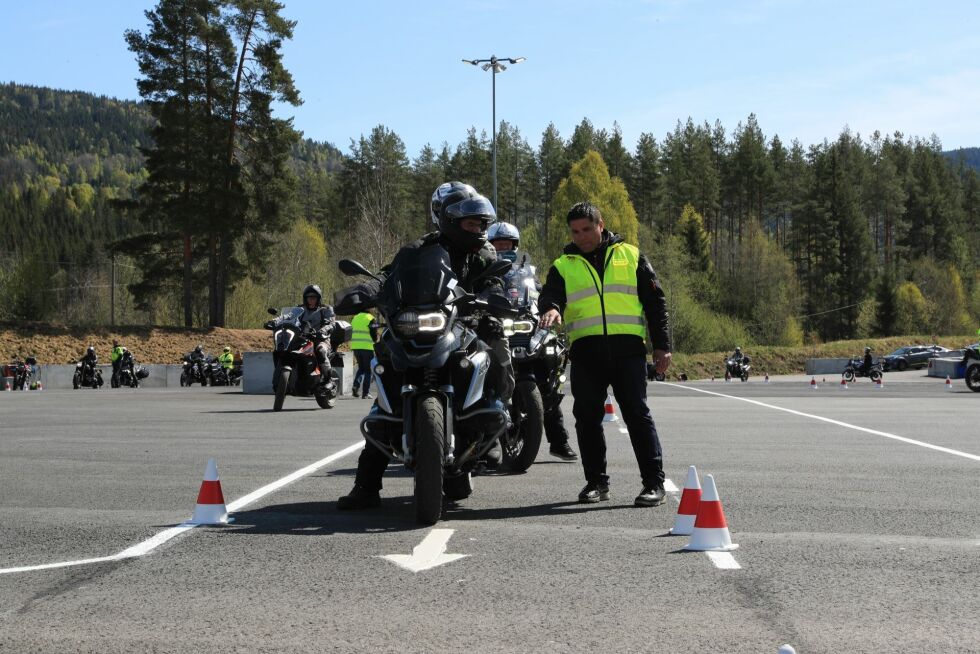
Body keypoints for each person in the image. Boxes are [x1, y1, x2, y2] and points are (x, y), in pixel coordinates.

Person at [338, 181, 513, 510]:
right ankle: (365, 486)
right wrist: (371, 290)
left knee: (493, 349)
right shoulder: (417, 249)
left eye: (480, 224)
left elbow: (493, 278)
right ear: (448, 220)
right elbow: (392, 277)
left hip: (462, 322)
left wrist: (493, 296)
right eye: (470, 223)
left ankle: (493, 419)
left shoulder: (483, 251)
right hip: (420, 324)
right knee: (384, 396)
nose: (476, 229)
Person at [538, 201, 671, 507]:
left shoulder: (631, 255)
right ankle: (596, 483)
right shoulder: (563, 264)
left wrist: (662, 346)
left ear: (601, 225)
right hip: (586, 352)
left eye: (587, 229)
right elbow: (550, 295)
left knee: (637, 415)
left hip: (628, 351)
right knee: (586, 419)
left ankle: (654, 483)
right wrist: (551, 308)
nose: (581, 236)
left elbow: (656, 303)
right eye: (575, 231)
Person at [488, 220, 578, 461]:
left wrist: (543, 306)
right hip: (495, 328)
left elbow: (538, 292)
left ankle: (559, 442)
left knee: (547, 387)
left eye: (507, 243)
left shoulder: (526, 271)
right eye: (498, 243)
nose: (503, 247)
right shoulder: (483, 268)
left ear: (515, 245)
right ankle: (481, 446)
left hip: (524, 327)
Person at [298, 284, 337, 373]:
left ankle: (328, 379)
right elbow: (288, 317)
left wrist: (323, 330)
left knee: (321, 351)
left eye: (314, 297)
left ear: (318, 298)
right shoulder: (299, 309)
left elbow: (331, 323)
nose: (311, 299)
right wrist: (276, 321)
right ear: (305, 298)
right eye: (309, 297)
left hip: (320, 339)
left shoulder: (325, 309)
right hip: (301, 339)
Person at [350, 310, 378, 399]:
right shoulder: (370, 318)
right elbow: (373, 332)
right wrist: (375, 341)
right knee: (368, 371)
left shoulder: (355, 318)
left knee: (361, 368)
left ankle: (356, 386)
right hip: (367, 347)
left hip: (355, 346)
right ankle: (366, 393)